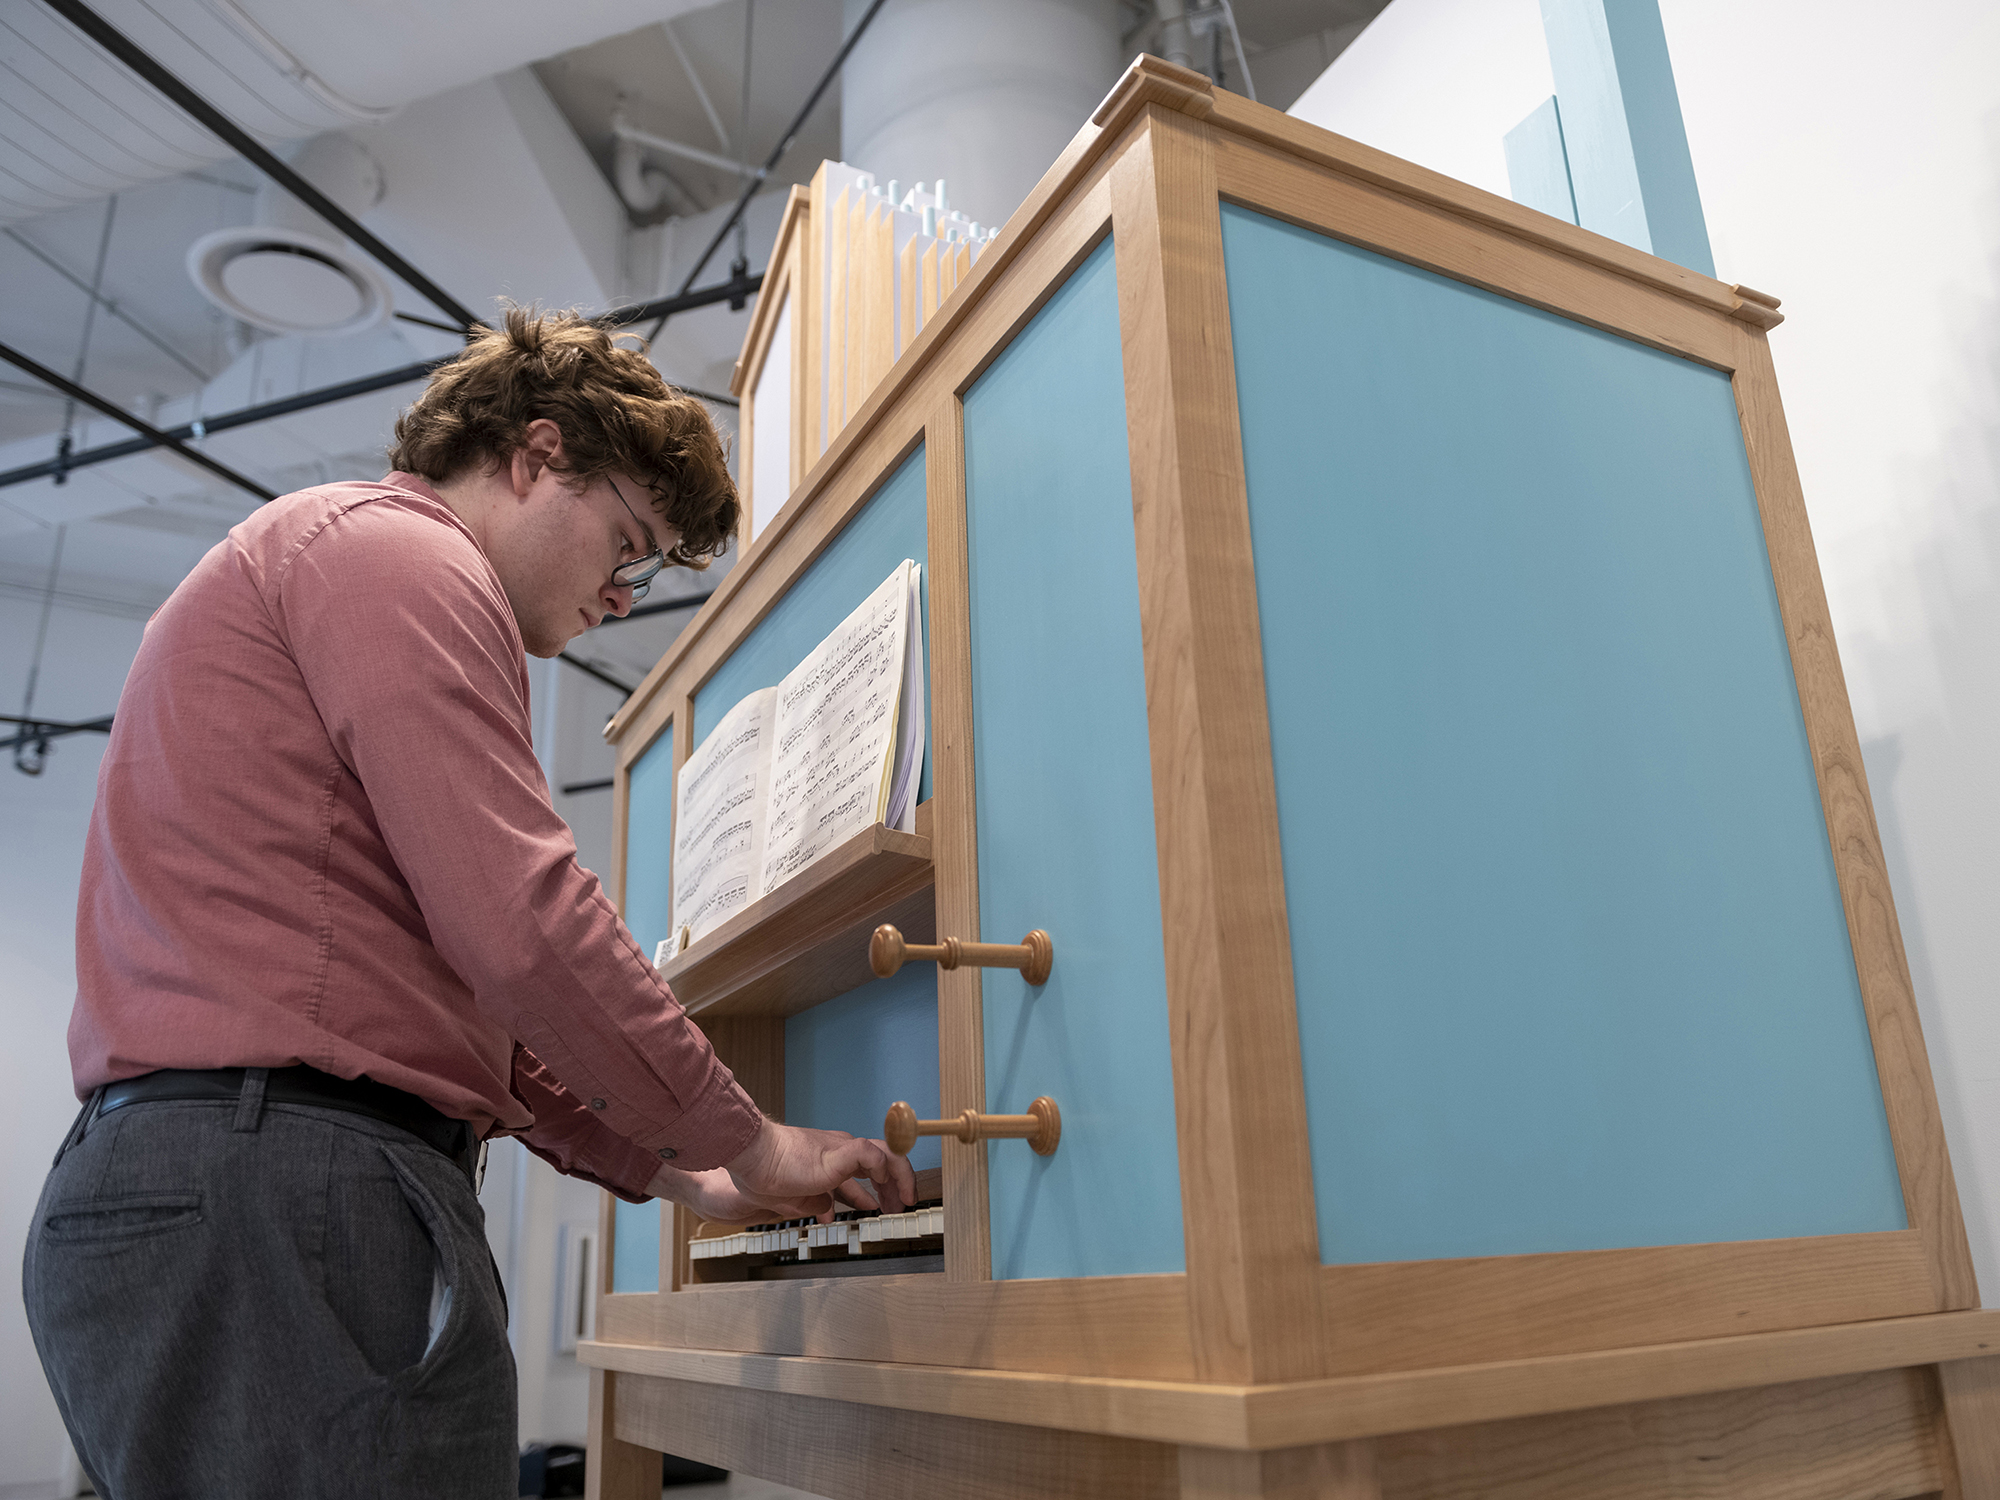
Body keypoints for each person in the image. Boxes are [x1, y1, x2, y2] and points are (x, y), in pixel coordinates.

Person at [23, 309, 914, 1499]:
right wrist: (749, 1137)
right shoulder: (401, 558)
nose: (620, 597)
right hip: (282, 1194)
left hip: (210, 1181)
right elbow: (525, 926)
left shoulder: (323, 558)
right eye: (626, 541)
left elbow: (482, 1014)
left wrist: (696, 1178)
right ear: (535, 455)